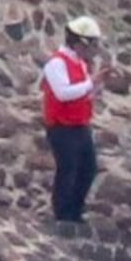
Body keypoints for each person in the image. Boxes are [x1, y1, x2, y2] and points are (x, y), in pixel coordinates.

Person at [40, 16, 102, 223]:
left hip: (79, 125)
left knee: (88, 168)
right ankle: (63, 213)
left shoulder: (80, 64)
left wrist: (96, 85)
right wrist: (90, 83)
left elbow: (83, 93)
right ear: (79, 43)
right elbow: (63, 93)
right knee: (68, 169)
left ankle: (75, 210)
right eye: (91, 44)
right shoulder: (56, 63)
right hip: (61, 126)